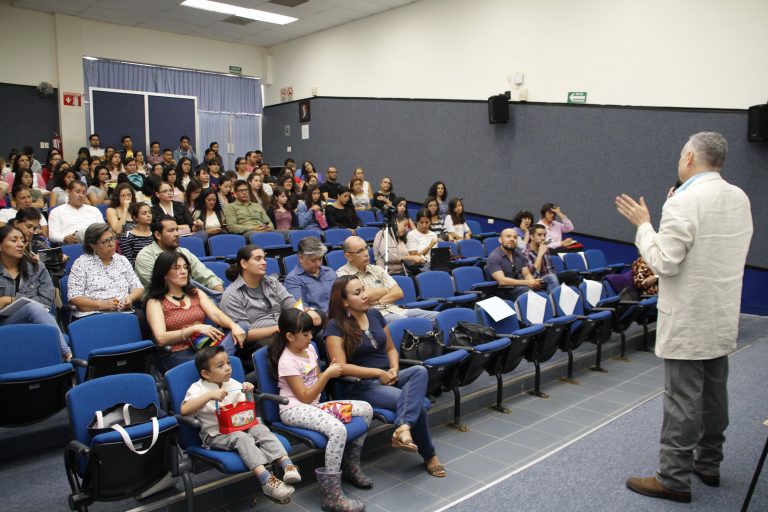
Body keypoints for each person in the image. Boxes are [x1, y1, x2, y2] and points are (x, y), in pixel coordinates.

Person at [617, 132, 753, 503]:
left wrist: (645, 225)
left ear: (689, 157)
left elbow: (664, 263)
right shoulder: (739, 197)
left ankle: (673, 478)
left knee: (682, 401)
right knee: (714, 395)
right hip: (722, 313)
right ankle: (709, 462)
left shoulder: (684, 202)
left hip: (689, 319)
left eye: (681, 155)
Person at [325, 276, 446, 478]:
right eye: (357, 293)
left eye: (363, 290)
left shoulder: (374, 315)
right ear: (344, 301)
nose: (365, 295)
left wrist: (394, 369)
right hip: (361, 384)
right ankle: (430, 455)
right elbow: (341, 367)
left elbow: (390, 348)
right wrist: (378, 373)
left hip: (388, 376)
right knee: (415, 405)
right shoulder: (335, 326)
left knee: (420, 371)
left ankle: (403, 428)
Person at [269, 309, 371, 511]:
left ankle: (350, 465)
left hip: (313, 406)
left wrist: (324, 375)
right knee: (337, 430)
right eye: (305, 335)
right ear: (289, 336)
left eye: (310, 333)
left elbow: (315, 384)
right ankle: (331, 495)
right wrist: (327, 374)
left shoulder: (310, 349)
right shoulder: (287, 361)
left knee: (365, 409)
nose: (310, 338)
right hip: (294, 409)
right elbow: (304, 396)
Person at [181, 346, 299, 503]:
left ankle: (287, 465)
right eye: (220, 365)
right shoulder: (198, 388)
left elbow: (246, 410)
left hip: (242, 426)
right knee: (242, 438)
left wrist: (248, 393)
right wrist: (209, 396)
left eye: (228, 363)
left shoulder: (232, 383)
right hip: (215, 435)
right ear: (205, 373)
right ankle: (266, 480)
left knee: (260, 428)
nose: (228, 368)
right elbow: (184, 410)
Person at [145, 251, 244, 371]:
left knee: (243, 326)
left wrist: (233, 326)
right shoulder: (155, 302)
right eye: (177, 268)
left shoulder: (195, 293)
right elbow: (161, 338)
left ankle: (219, 361)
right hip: (179, 352)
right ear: (164, 274)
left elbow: (216, 315)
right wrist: (193, 329)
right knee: (220, 362)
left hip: (205, 346)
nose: (183, 271)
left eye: (185, 267)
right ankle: (221, 361)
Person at [219, 245, 306, 358]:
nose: (264, 262)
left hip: (284, 331)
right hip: (256, 342)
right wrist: (277, 329)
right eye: (258, 259)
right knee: (292, 343)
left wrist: (305, 314)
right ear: (244, 263)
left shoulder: (272, 282)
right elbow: (244, 333)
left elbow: (288, 301)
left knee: (318, 327)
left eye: (264, 258)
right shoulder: (232, 295)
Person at [0, 225, 71, 360]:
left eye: (22, 240)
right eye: (14, 240)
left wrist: (10, 300)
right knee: (34, 309)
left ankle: (65, 356)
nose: (20, 244)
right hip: (4, 323)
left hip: (35, 317)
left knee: (34, 309)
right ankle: (67, 354)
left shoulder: (37, 267)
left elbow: (46, 303)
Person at [338, 236, 438, 324]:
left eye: (366, 248)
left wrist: (376, 301)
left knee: (438, 317)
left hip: (396, 310)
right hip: (372, 316)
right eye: (360, 251)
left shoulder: (377, 269)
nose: (366, 253)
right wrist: (386, 289)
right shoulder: (342, 275)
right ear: (348, 256)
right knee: (410, 323)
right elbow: (362, 298)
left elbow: (398, 293)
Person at [67, 223, 143, 319]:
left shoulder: (122, 260)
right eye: (105, 242)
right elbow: (74, 297)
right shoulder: (81, 263)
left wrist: (130, 299)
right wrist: (102, 305)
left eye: (112, 239)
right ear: (93, 246)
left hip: (124, 311)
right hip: (93, 314)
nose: (111, 244)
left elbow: (138, 287)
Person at [134, 216, 224, 291]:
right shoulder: (145, 256)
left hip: (190, 295)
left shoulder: (183, 252)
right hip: (159, 301)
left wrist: (218, 290)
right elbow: (160, 286)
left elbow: (203, 273)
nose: (177, 234)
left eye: (177, 230)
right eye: (171, 230)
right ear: (158, 235)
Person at [283, 237, 335, 327]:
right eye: (313, 260)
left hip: (340, 319)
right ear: (301, 257)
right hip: (318, 323)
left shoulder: (329, 272)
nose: (318, 264)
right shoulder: (293, 279)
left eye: (320, 259)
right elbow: (300, 307)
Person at [486, 228, 544, 300]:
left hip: (521, 286)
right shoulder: (494, 257)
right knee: (528, 291)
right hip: (505, 291)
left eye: (515, 237)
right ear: (500, 239)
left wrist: (533, 282)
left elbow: (526, 274)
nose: (512, 239)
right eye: (508, 236)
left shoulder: (519, 254)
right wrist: (527, 282)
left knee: (550, 278)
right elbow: (502, 281)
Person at [48, 181, 104, 245]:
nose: (81, 195)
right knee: (83, 233)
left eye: (84, 193)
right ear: (68, 192)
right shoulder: (56, 212)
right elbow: (52, 235)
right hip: (72, 245)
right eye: (77, 192)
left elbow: (102, 229)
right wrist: (64, 238)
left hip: (96, 243)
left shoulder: (94, 210)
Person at [521, 224, 559, 293]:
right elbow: (533, 276)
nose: (543, 238)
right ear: (532, 237)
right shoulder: (525, 252)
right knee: (552, 277)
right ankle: (554, 301)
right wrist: (540, 254)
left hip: (548, 279)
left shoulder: (545, 249)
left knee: (571, 276)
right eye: (539, 235)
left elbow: (550, 268)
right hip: (536, 282)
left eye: (544, 235)